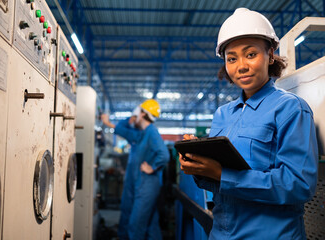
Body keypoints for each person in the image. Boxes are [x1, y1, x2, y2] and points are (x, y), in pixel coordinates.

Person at [179, 8, 318, 239]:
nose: (240, 66)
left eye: (250, 54)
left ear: (270, 55)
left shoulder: (290, 109)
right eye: (231, 58)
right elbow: (220, 184)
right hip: (221, 234)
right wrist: (199, 167)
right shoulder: (223, 114)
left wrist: (224, 175)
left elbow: (300, 184)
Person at [102, 99, 170, 240]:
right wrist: (131, 118)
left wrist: (152, 167)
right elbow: (121, 128)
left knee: (136, 224)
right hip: (139, 184)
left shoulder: (151, 132)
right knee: (149, 224)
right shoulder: (140, 133)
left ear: (144, 114)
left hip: (147, 186)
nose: (136, 115)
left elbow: (164, 154)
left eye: (138, 112)